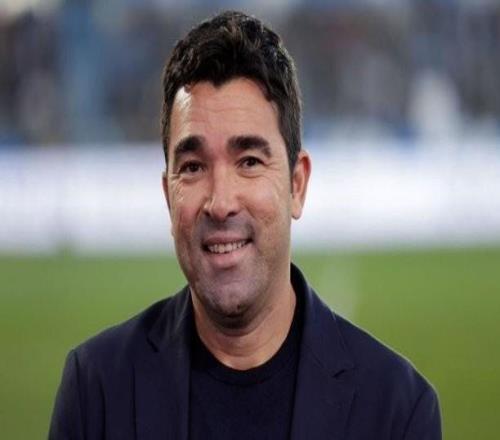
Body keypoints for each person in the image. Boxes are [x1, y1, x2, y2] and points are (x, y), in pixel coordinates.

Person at [49, 10, 441, 440]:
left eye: (249, 162)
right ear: (168, 196)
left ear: (296, 185)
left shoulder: (397, 408)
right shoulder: (96, 393)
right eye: (193, 167)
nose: (220, 203)